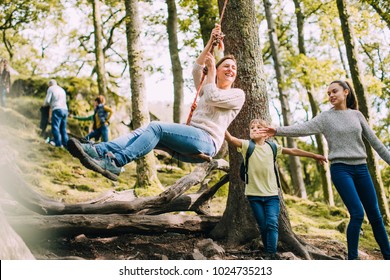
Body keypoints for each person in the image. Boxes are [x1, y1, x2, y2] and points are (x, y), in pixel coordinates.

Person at [67, 24, 245, 181]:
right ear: (220, 70)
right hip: (191, 138)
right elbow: (197, 68)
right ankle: (99, 150)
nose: (231, 69)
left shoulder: (237, 95)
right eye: (226, 66)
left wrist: (213, 68)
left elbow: (213, 96)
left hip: (207, 142)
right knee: (143, 131)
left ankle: (115, 162)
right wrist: (210, 43)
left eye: (233, 67)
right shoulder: (208, 85)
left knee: (156, 127)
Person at [259, 80, 390, 260]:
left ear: (346, 92)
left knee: (375, 216)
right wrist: (276, 131)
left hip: (361, 169)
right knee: (358, 214)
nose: (331, 96)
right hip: (341, 170)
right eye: (328, 93)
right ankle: (353, 261)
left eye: (334, 91)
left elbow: (376, 143)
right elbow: (302, 128)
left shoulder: (357, 115)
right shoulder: (325, 118)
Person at [225, 118, 327, 259]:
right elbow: (230, 139)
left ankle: (270, 254)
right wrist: (217, 123)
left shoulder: (272, 147)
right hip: (253, 195)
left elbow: (292, 150)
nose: (254, 129)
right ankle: (268, 251)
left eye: (258, 127)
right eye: (252, 128)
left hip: (272, 195)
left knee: (272, 224)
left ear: (267, 134)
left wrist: (314, 155)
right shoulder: (247, 146)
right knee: (263, 226)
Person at [43, 79, 69, 148]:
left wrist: (43, 105)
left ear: (50, 84)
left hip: (57, 109)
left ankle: (58, 144)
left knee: (55, 127)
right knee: (63, 128)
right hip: (65, 110)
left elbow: (47, 101)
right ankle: (66, 145)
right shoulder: (62, 90)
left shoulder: (51, 89)